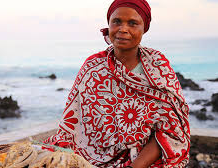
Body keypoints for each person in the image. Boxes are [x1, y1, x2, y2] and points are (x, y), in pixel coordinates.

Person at [45, 0, 190, 167]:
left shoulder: (158, 66)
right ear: (109, 24)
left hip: (144, 158)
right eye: (117, 21)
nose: (123, 29)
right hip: (90, 155)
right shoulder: (93, 67)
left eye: (133, 23)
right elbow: (72, 124)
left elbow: (170, 131)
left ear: (144, 29)